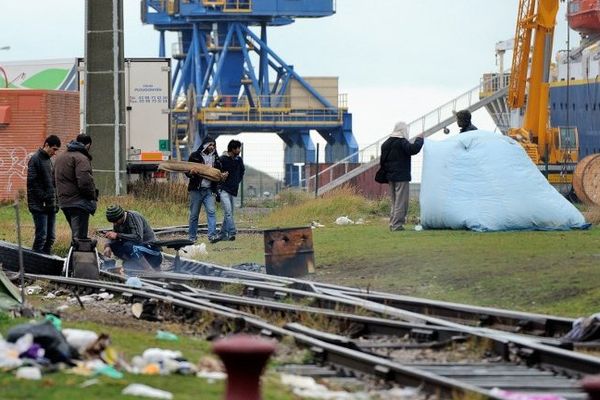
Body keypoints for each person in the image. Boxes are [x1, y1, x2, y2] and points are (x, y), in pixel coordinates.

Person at [54, 133, 98, 244]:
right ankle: (77, 259)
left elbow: (52, 180)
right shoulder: (81, 158)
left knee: (76, 234)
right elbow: (84, 182)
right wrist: (92, 196)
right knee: (80, 238)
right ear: (88, 145)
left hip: (64, 202)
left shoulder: (61, 157)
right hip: (79, 203)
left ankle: (73, 257)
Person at [380, 122, 424, 231]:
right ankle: (397, 225)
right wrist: (419, 139)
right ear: (403, 130)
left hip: (390, 177)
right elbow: (413, 149)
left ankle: (392, 223)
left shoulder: (385, 143)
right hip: (401, 177)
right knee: (401, 202)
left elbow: (383, 161)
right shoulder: (401, 142)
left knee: (394, 202)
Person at [187, 136, 226, 243]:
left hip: (209, 190)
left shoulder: (216, 158)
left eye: (213, 145)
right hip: (196, 190)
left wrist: (223, 176)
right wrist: (191, 173)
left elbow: (219, 172)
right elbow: (187, 172)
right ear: (205, 145)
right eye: (210, 145)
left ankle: (212, 236)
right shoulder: (194, 156)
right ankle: (192, 237)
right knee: (194, 214)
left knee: (211, 212)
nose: (212, 147)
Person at [27, 135, 62, 254]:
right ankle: (34, 264)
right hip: (39, 206)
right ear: (46, 145)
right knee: (41, 236)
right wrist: (45, 197)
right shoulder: (35, 159)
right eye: (54, 149)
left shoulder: (49, 160)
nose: (55, 152)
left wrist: (55, 202)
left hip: (50, 205)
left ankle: (46, 263)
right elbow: (32, 183)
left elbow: (52, 183)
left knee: (50, 238)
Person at [102, 205, 162, 273]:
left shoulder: (133, 217)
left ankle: (149, 270)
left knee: (129, 245)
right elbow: (115, 237)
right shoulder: (117, 222)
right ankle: (132, 264)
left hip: (152, 251)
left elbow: (138, 238)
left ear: (121, 216)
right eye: (113, 222)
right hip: (138, 251)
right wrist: (107, 246)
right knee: (114, 245)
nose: (115, 224)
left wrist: (117, 235)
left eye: (116, 221)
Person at [218, 140, 245, 241]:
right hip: (223, 189)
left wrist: (237, 181)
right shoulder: (222, 159)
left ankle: (222, 234)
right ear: (232, 149)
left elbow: (242, 171)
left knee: (229, 213)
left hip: (233, 190)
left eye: (239, 148)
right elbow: (216, 173)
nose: (239, 150)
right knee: (228, 212)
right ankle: (232, 232)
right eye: (237, 148)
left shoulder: (239, 160)